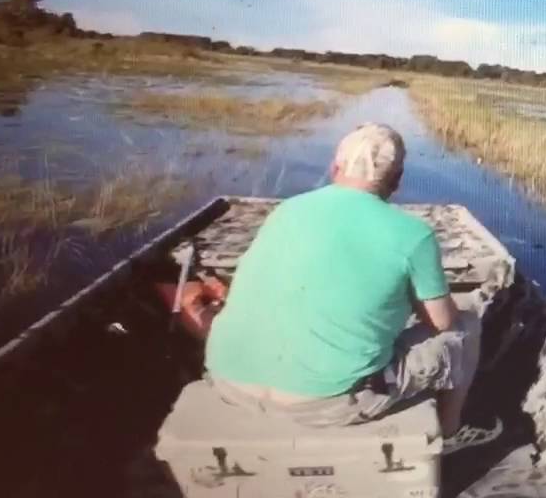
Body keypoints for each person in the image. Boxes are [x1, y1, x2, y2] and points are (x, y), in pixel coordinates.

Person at [203, 122, 501, 454]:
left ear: (335, 167)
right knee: (466, 324)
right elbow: (443, 324)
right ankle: (449, 431)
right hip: (325, 405)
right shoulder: (414, 234)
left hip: (229, 382)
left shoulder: (286, 210)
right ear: (397, 180)